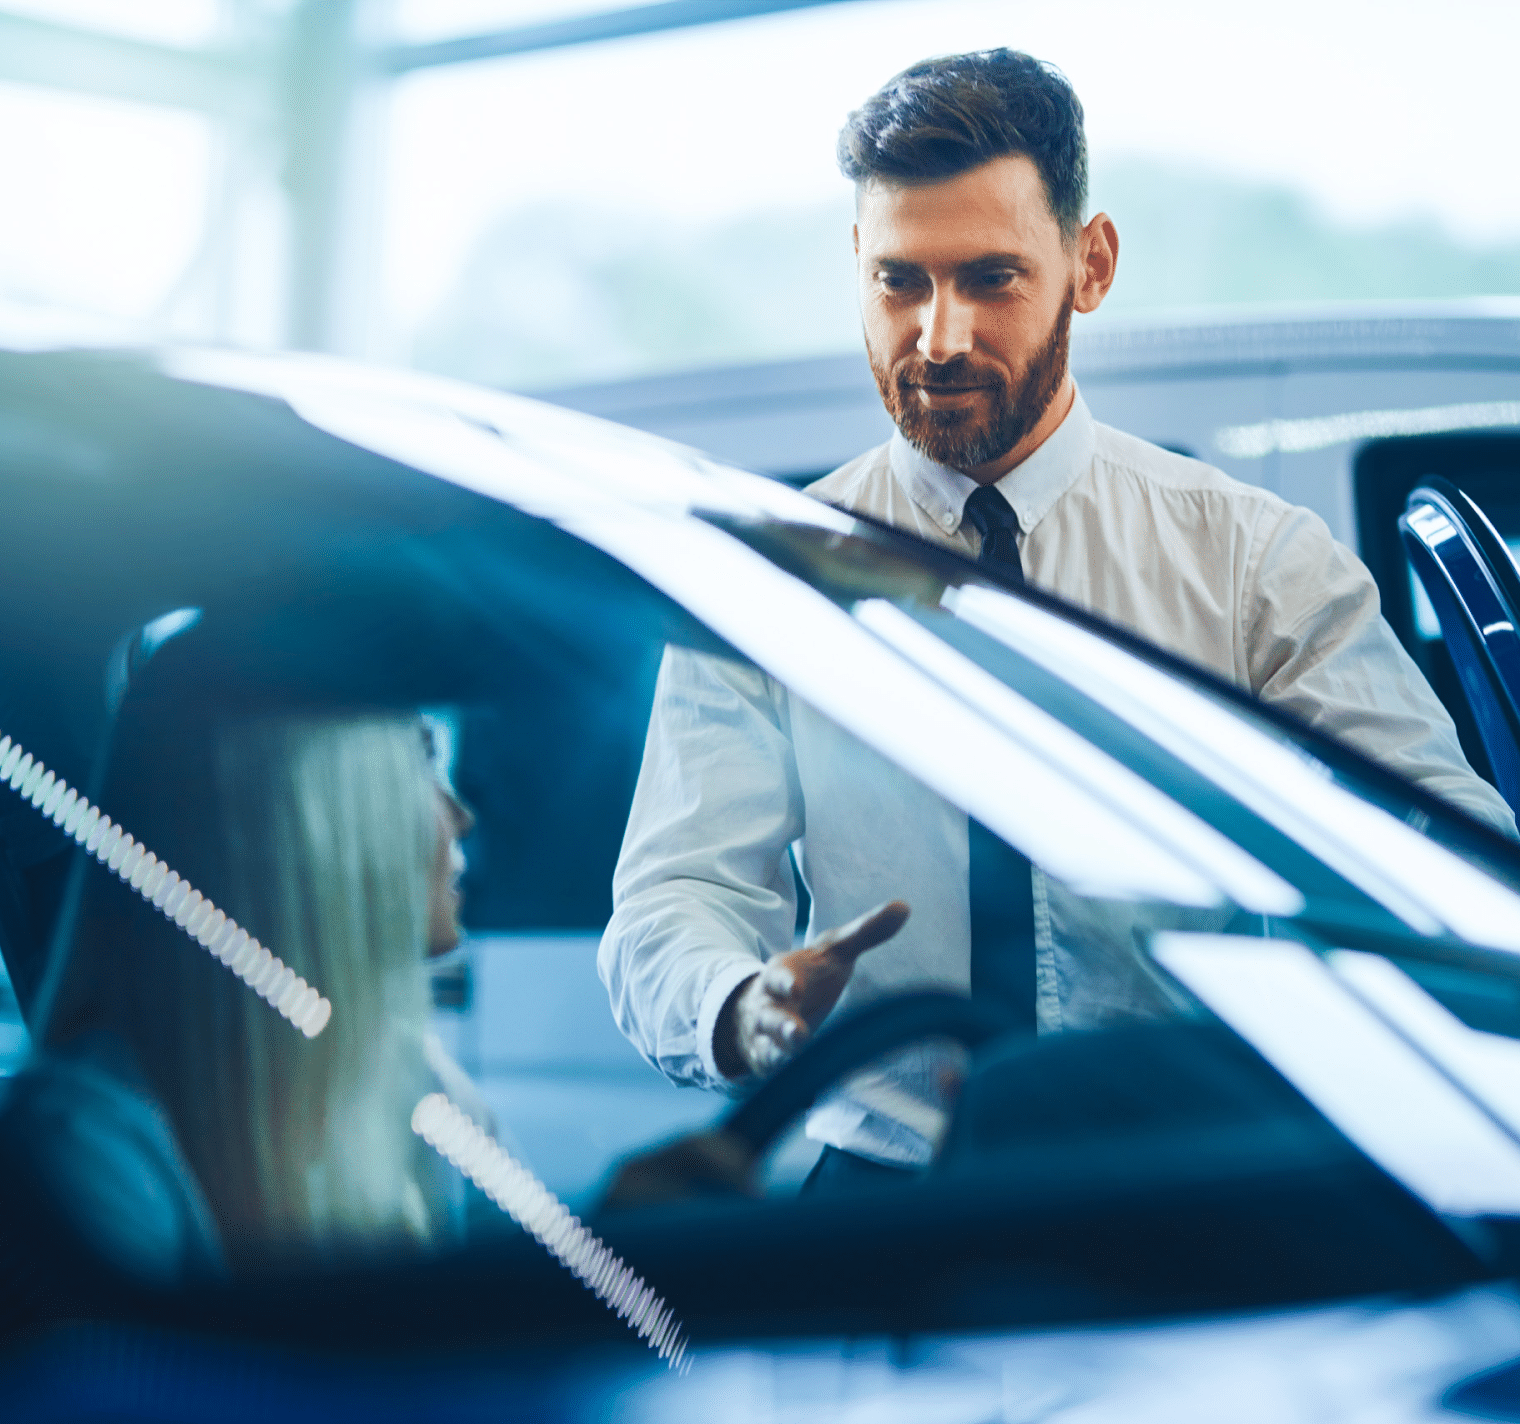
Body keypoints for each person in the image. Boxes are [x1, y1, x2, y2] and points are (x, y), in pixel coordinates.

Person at [600, 48, 1515, 1186]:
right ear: (854, 266)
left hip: (1187, 1179)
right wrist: (741, 1003)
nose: (936, 337)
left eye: (990, 277)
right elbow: (672, 894)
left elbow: (1446, 867)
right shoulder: (768, 578)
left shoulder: (1257, 563)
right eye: (899, 281)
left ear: (1091, 264)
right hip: (885, 1190)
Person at [0, 649, 488, 1284]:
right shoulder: (86, 1152)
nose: (460, 816)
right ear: (314, 818)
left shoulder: (411, 1085)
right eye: (423, 762)